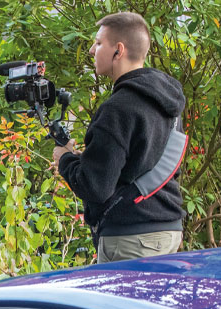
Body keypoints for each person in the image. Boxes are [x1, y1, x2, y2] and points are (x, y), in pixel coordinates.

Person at [53, 12, 186, 263]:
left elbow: (95, 187)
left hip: (131, 238)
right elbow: (139, 163)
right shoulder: (166, 99)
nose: (92, 50)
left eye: (99, 42)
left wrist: (65, 159)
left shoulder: (118, 109)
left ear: (119, 50)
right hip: (168, 228)